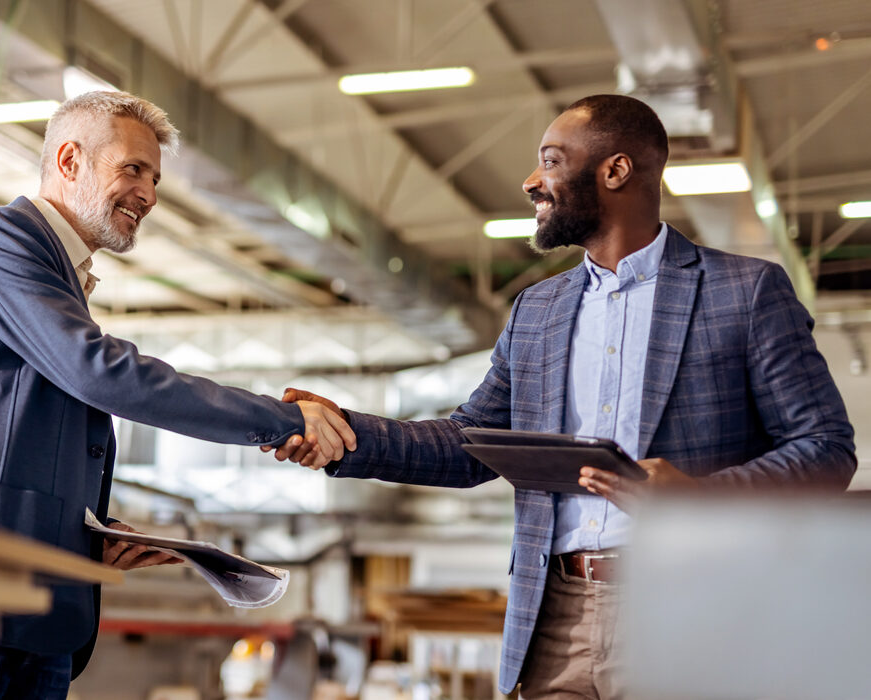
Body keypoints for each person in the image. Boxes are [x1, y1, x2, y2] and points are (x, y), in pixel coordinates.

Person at [269, 94, 856, 699]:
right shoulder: (538, 309)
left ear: (616, 170)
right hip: (556, 618)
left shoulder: (745, 291)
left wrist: (700, 497)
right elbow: (472, 445)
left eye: (550, 161)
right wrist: (344, 434)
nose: (531, 182)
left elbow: (826, 449)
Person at [0, 90, 355, 700]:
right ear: (68, 161)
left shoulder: (61, 278)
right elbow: (100, 374)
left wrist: (89, 533)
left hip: (38, 600)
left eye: (156, 178)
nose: (150, 195)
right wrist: (279, 418)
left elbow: (21, 444)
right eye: (133, 169)